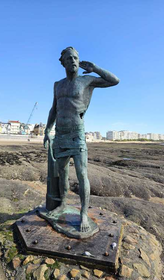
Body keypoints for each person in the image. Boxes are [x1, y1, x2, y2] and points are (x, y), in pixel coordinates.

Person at [43, 47, 119, 232]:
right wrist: (47, 130)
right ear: (63, 62)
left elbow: (114, 80)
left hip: (77, 133)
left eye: (76, 58)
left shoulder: (87, 80)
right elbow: (54, 109)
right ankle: (61, 204)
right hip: (60, 134)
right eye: (69, 58)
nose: (73, 61)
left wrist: (96, 68)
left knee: (82, 173)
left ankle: (83, 213)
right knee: (62, 173)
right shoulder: (58, 85)